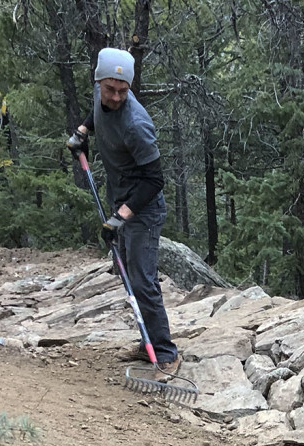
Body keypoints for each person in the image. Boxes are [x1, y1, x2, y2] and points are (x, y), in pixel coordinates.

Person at [66, 47, 181, 378]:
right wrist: (82, 132)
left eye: (123, 91)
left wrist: (120, 217)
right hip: (122, 201)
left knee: (143, 281)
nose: (116, 97)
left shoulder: (137, 124)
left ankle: (165, 353)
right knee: (128, 275)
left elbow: (154, 181)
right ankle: (148, 340)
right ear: (99, 81)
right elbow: (97, 112)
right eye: (110, 89)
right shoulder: (101, 93)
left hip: (142, 209)